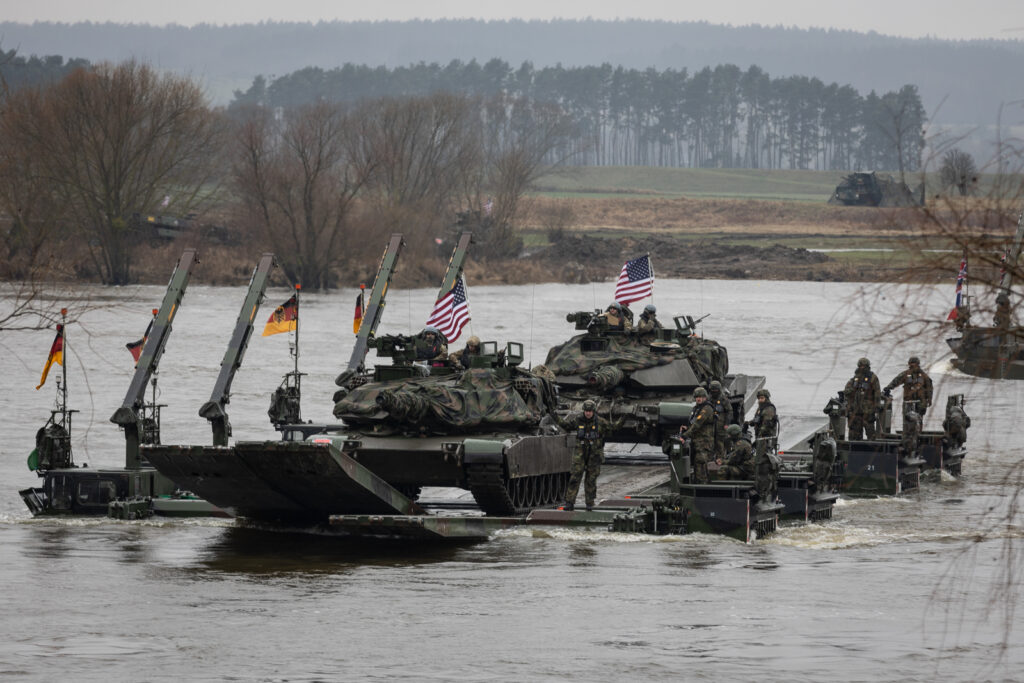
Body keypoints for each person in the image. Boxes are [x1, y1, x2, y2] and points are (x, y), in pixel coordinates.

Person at [557, 399, 619, 511]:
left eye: (590, 411)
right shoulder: (578, 420)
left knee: (591, 479)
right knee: (575, 477)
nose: (588, 413)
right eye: (586, 411)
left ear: (593, 411)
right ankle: (569, 502)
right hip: (580, 453)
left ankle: (590, 503)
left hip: (594, 454)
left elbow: (614, 427)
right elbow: (566, 425)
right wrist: (554, 416)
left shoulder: (600, 422)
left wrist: (624, 418)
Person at [680, 387, 715, 483]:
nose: (698, 399)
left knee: (701, 462)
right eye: (697, 397)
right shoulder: (696, 408)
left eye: (700, 397)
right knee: (697, 463)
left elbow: (697, 424)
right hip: (697, 440)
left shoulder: (707, 408)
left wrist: (685, 436)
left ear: (705, 397)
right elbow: (693, 423)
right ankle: (699, 483)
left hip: (704, 441)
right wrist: (687, 428)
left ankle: (702, 485)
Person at [884, 356, 934, 421]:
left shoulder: (924, 375)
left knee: (919, 420)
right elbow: (896, 381)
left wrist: (929, 399)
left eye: (914, 363)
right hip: (908, 400)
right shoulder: (905, 374)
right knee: (906, 419)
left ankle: (918, 426)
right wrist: (888, 388)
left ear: (918, 364)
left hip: (920, 402)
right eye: (911, 363)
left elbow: (929, 388)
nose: (912, 365)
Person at [844, 358, 881, 440]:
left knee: (871, 434)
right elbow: (846, 392)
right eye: (860, 366)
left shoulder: (873, 378)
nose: (862, 368)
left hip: (868, 411)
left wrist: (877, 408)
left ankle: (872, 447)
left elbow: (877, 394)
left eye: (864, 366)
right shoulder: (855, 379)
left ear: (868, 366)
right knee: (855, 435)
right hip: (856, 411)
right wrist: (854, 388)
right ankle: (855, 447)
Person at [707, 380, 731, 461]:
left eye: (716, 390)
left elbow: (729, 411)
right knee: (710, 441)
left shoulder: (723, 399)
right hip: (711, 424)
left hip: (721, 424)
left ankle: (720, 458)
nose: (714, 392)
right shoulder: (709, 398)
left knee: (720, 442)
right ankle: (710, 459)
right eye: (712, 390)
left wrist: (727, 423)